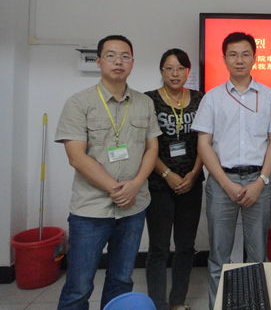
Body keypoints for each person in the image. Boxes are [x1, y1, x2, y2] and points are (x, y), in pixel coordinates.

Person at [55, 35, 162, 309]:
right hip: (91, 210)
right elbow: (76, 156)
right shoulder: (79, 103)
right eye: (111, 55)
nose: (118, 61)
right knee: (79, 286)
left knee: (121, 280)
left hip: (133, 208)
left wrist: (135, 184)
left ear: (132, 62)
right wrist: (116, 189)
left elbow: (152, 148)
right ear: (99, 61)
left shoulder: (144, 103)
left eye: (125, 56)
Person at [191, 32, 271, 309]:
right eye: (233, 54)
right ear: (224, 59)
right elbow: (204, 144)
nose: (239, 60)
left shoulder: (268, 96)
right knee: (219, 256)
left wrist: (261, 181)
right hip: (222, 182)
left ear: (254, 58)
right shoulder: (212, 98)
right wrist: (226, 183)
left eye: (245, 54)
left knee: (258, 254)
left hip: (259, 181)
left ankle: (256, 304)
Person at [145, 48, 204, 310]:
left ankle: (177, 301)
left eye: (180, 68)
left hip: (191, 183)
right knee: (159, 247)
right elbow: (146, 144)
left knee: (185, 246)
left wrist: (193, 173)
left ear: (188, 71)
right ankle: (158, 303)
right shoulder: (148, 100)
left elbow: (205, 141)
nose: (175, 74)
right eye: (169, 68)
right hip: (159, 183)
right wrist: (167, 174)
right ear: (161, 71)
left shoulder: (200, 99)